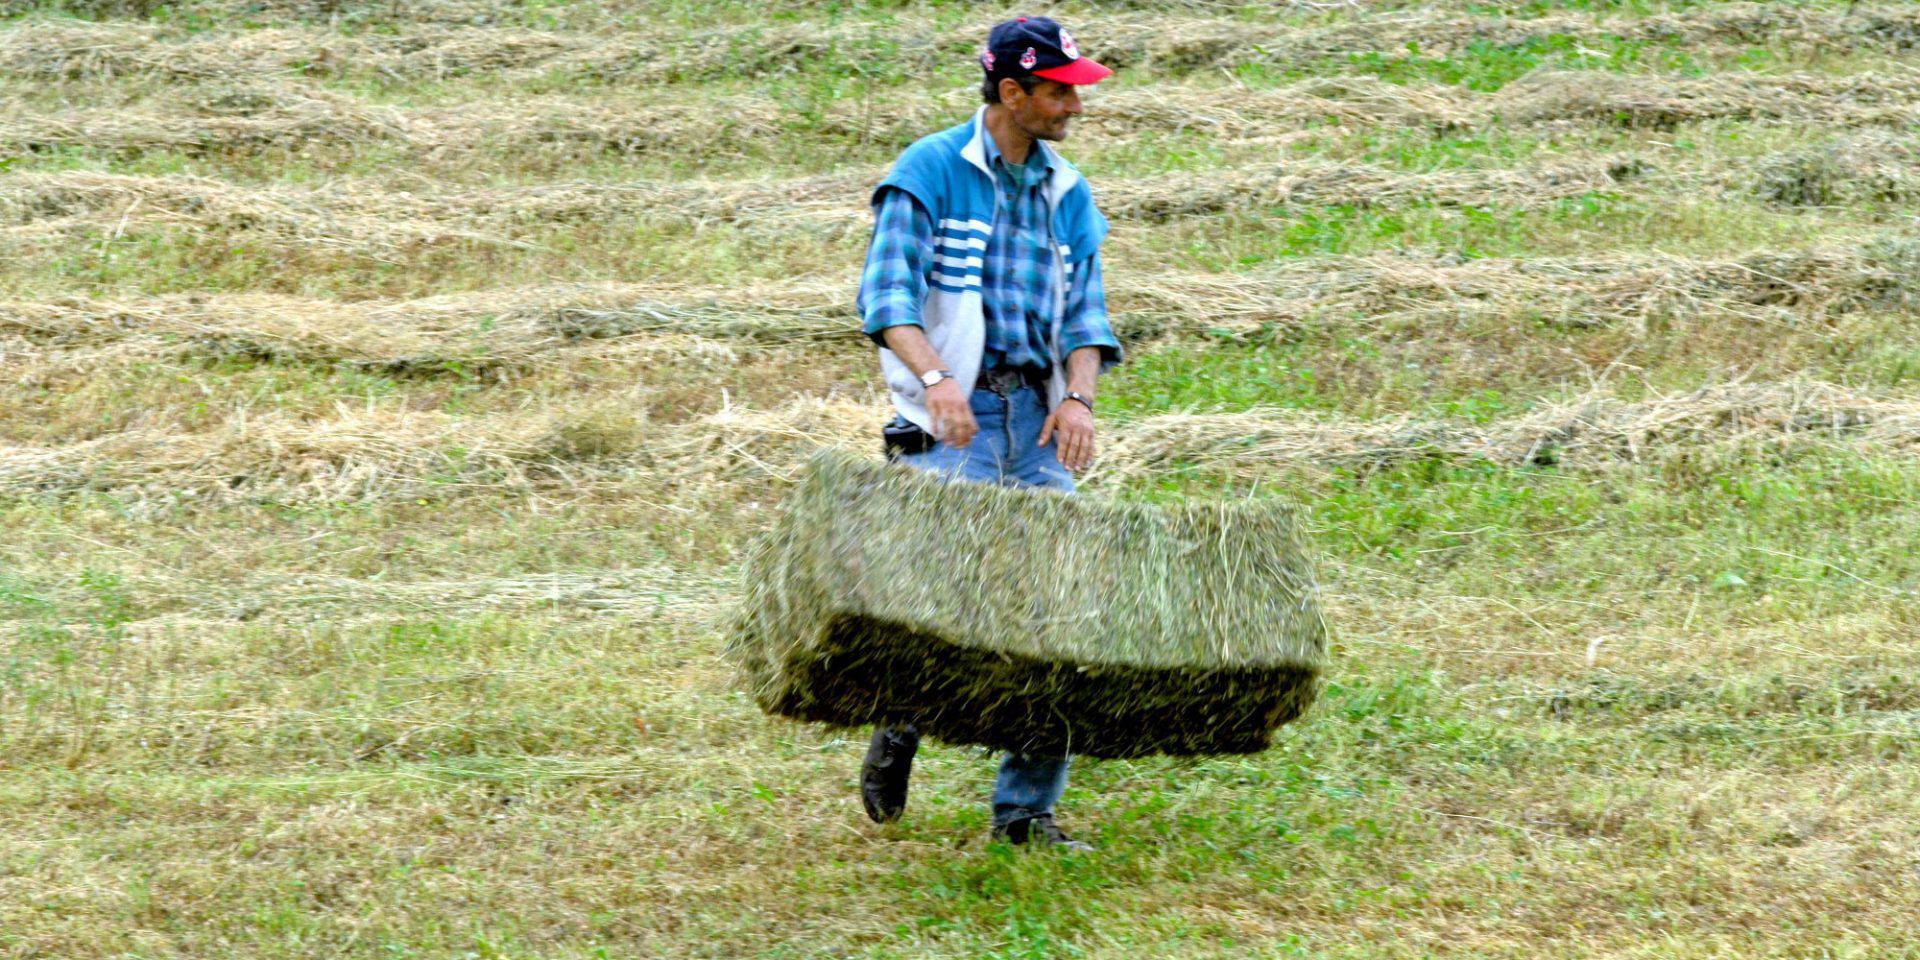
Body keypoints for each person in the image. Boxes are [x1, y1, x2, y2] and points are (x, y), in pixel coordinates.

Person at [854, 16, 1121, 851]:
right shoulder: (929, 171)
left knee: (1064, 609)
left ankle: (1025, 813)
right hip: (955, 422)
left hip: (1034, 423)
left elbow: (1086, 314)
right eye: (1058, 91)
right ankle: (904, 716)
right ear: (1012, 92)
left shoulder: (1066, 190)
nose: (1073, 106)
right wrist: (937, 384)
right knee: (950, 609)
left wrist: (1077, 398)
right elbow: (887, 298)